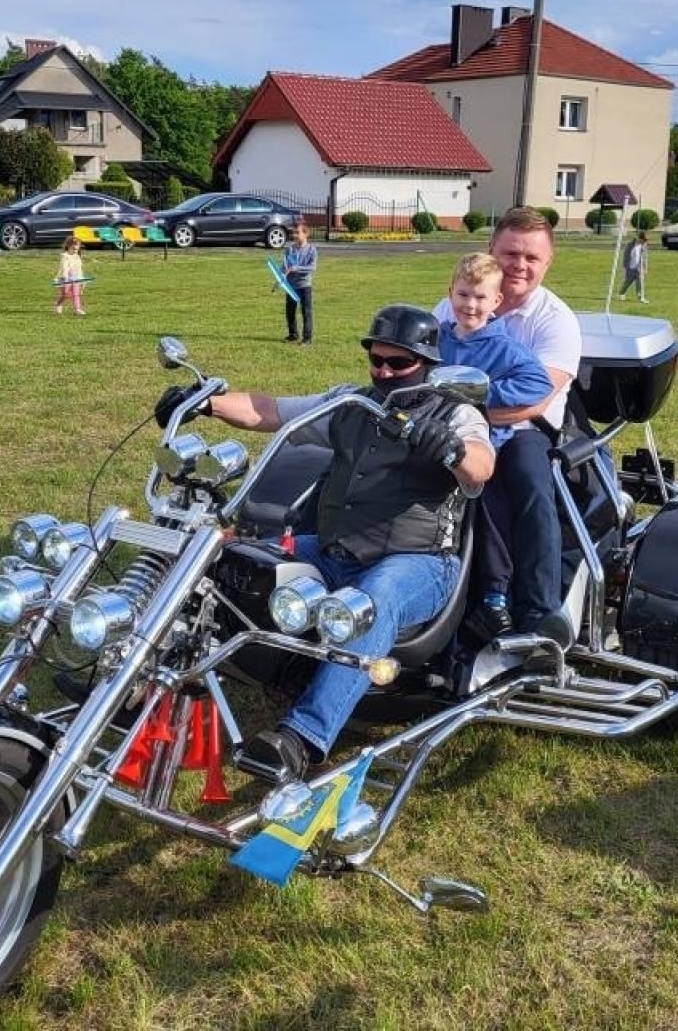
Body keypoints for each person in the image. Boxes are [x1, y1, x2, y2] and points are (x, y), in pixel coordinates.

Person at [155, 304, 495, 782]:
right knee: (224, 559)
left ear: (427, 363)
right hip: (335, 549)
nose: (384, 372)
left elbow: (482, 466)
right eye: (376, 360)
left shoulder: (455, 413)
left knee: (371, 602)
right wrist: (206, 402)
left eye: (398, 363)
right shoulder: (350, 404)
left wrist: (451, 448)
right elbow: (269, 411)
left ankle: (301, 739)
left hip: (418, 563)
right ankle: (154, 679)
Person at [433, 207, 581, 640]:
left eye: (531, 257)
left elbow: (535, 401)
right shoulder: (453, 306)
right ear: (491, 251)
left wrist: (466, 410)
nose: (519, 264)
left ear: (548, 263)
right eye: (510, 253)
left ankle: (539, 612)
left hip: (523, 431)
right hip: (450, 422)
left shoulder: (556, 321)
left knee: (530, 485)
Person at [281, 223, 317, 344]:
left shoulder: (312, 250)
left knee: (306, 312)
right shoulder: (290, 249)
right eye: (293, 233)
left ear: (306, 234)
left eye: (297, 232)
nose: (294, 235)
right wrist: (281, 273)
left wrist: (295, 268)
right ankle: (293, 335)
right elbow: (284, 266)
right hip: (291, 286)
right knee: (290, 311)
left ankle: (307, 338)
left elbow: (312, 267)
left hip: (305, 286)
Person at [54, 239, 86, 316]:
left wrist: (81, 279)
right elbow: (65, 268)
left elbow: (79, 269)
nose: (75, 251)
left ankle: (77, 309)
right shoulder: (65, 256)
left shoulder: (77, 257)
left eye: (77, 249)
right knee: (65, 294)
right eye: (73, 249)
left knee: (76, 294)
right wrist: (66, 277)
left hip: (75, 278)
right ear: (68, 246)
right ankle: (58, 304)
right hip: (64, 278)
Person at [619, 230, 648, 303]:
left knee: (640, 282)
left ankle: (640, 297)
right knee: (628, 282)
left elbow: (644, 257)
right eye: (643, 240)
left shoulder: (643, 246)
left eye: (645, 240)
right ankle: (622, 293)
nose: (644, 242)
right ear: (639, 238)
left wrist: (645, 268)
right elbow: (625, 256)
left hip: (639, 268)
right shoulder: (630, 245)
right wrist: (625, 267)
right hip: (630, 267)